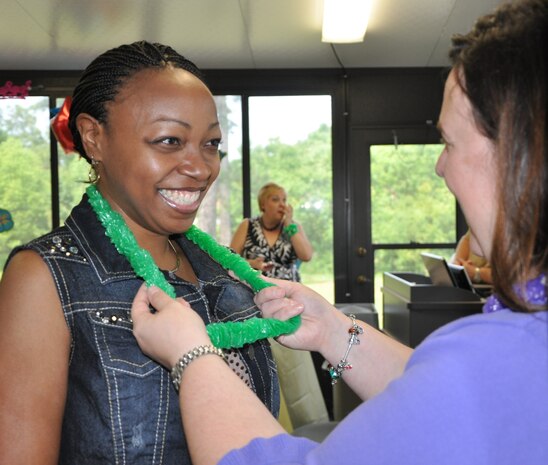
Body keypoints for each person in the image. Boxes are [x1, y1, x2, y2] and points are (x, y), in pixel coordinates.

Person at [130, 1, 548, 464]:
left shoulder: (502, 356)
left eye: (449, 142)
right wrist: (331, 328)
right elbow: (440, 390)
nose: (439, 166)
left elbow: (461, 391)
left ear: (518, 154)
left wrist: (191, 354)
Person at [0, 41, 280, 465]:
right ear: (94, 137)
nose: (201, 167)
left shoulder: (220, 268)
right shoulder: (43, 277)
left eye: (211, 143)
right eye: (170, 140)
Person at [230, 182, 313, 282]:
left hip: (289, 291)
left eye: (284, 200)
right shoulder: (247, 225)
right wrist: (252, 264)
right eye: (275, 200)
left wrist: (289, 225)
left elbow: (307, 256)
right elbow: (230, 260)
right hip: (253, 291)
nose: (282, 205)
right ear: (263, 204)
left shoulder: (294, 227)